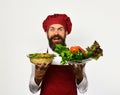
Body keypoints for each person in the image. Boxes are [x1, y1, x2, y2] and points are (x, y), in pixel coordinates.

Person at [29, 14, 88, 95]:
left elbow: (83, 90)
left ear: (66, 32)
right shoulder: (39, 57)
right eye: (52, 29)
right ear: (46, 33)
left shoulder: (75, 56)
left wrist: (79, 76)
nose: (56, 33)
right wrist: (38, 77)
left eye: (60, 29)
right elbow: (33, 90)